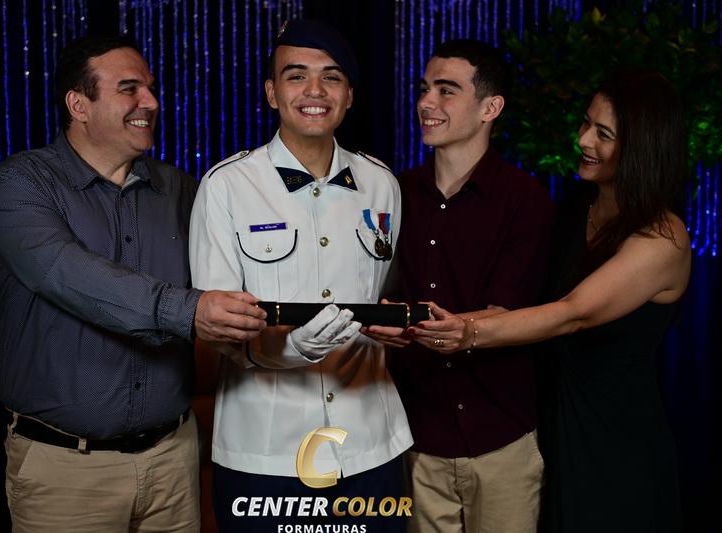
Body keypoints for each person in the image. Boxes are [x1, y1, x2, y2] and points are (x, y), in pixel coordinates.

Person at [0, 34, 267, 532]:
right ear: (79, 105)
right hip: (66, 471)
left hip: (173, 460)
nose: (150, 102)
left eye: (151, 88)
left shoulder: (180, 190)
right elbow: (69, 274)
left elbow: (250, 266)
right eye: (129, 89)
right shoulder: (17, 185)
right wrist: (190, 311)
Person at [383, 70, 691, 532]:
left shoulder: (664, 237)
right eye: (586, 123)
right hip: (548, 417)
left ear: (643, 147)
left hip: (613, 432)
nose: (583, 139)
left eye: (603, 134)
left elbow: (572, 314)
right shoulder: (575, 207)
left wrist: (466, 332)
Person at [188, 19, 412, 532]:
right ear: (272, 93)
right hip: (266, 451)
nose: (315, 90)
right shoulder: (226, 186)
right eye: (296, 76)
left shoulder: (381, 184)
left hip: (371, 445)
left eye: (332, 77)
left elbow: (389, 296)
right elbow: (218, 330)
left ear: (349, 95)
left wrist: (399, 327)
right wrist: (293, 347)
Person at [365, 39, 554, 532]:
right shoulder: (394, 194)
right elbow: (377, 293)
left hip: (502, 439)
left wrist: (426, 326)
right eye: (424, 88)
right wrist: (380, 320)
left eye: (446, 90)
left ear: (491, 108)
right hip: (416, 437)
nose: (426, 102)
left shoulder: (526, 200)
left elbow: (511, 314)